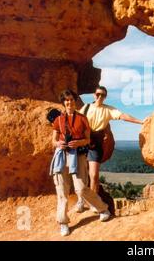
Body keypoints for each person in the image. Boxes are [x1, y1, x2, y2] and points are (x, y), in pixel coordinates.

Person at [50, 89, 111, 236]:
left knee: (81, 188)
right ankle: (63, 222)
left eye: (71, 99)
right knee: (62, 191)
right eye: (66, 100)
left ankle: (103, 208)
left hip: (77, 155)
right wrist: (58, 144)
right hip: (61, 156)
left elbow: (88, 139)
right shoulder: (58, 120)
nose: (69, 102)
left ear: (75, 101)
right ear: (63, 103)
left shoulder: (82, 119)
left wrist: (78, 143)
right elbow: (53, 140)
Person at [75, 86, 143, 212]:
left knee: (94, 175)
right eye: (97, 94)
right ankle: (80, 201)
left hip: (95, 144)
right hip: (82, 142)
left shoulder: (108, 109)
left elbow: (123, 116)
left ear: (105, 97)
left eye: (102, 95)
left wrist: (141, 122)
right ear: (94, 95)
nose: (99, 97)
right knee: (81, 175)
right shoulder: (86, 107)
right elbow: (76, 122)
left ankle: (94, 202)